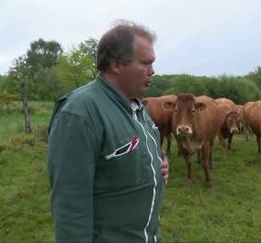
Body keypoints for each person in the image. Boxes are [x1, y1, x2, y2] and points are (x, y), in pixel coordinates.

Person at [47, 21, 169, 242]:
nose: (153, 71)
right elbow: (70, 204)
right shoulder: (80, 113)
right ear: (116, 65)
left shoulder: (137, 107)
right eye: (145, 63)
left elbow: (129, 158)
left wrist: (156, 169)